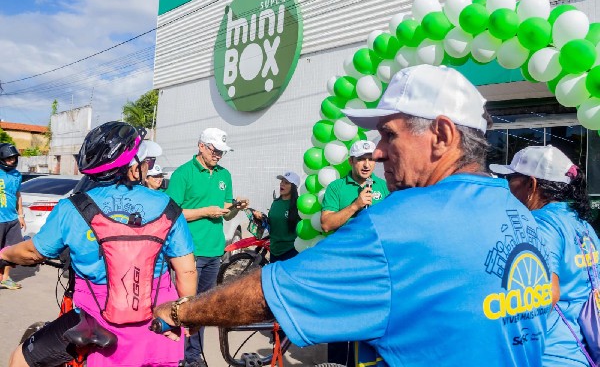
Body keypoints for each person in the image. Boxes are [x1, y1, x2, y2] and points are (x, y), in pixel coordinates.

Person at [153, 65, 551, 366]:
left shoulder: (403, 220)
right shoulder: (520, 212)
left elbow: (269, 295)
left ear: (443, 137)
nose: (376, 153)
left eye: (389, 134)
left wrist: (178, 311)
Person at [1, 122, 197, 367]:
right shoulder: (167, 205)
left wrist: (5, 254)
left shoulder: (73, 208)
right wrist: (185, 317)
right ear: (133, 167)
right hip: (159, 322)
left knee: (19, 359)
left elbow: (32, 253)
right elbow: (186, 270)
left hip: (97, 320)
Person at [490, 145, 599, 366]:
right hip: (582, 351)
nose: (507, 186)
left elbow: (547, 292)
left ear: (532, 184)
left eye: (511, 178)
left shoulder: (539, 223)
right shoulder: (582, 225)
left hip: (550, 354)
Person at [166, 127, 248, 367]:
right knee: (183, 306)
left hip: (214, 250)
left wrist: (236, 207)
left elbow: (227, 213)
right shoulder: (183, 173)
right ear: (201, 146)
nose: (218, 156)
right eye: (215, 150)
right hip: (187, 252)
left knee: (202, 308)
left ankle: (193, 356)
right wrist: (205, 211)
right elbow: (172, 213)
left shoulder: (224, 175)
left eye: (222, 152)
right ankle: (176, 355)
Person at [319, 140, 389, 365]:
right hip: (342, 268)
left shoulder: (383, 186)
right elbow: (326, 224)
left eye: (370, 159)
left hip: (374, 269)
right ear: (351, 161)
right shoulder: (337, 188)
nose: (367, 164)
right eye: (361, 159)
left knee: (369, 327)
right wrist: (356, 205)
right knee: (339, 328)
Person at [253, 171, 301, 263]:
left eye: (286, 183)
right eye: (282, 181)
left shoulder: (298, 204)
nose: (282, 184)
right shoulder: (276, 203)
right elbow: (272, 223)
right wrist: (261, 217)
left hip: (291, 250)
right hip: (275, 250)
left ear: (294, 187)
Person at [0, 143, 25, 290]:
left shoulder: (17, 175)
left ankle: (6, 278)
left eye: (14, 158)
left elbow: (18, 195)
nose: (12, 161)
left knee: (11, 250)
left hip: (12, 219)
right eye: (9, 159)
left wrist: (21, 215)